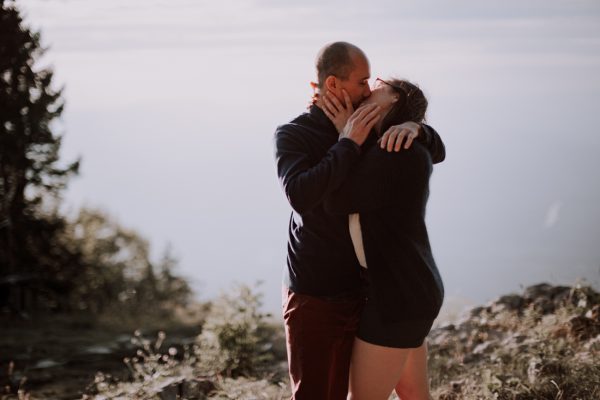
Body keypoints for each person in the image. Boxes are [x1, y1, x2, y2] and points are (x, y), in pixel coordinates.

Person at [273, 41, 445, 400]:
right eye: (363, 82)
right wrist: (347, 141)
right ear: (333, 84)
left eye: (372, 84)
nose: (368, 90)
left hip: (369, 292)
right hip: (317, 293)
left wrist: (417, 128)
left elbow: (432, 151)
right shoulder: (295, 134)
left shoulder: (381, 136)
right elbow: (301, 196)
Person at [321, 77, 444, 400]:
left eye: (378, 84)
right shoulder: (398, 145)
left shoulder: (395, 151)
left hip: (397, 297)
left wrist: (346, 138)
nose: (368, 90)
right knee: (413, 394)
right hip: (413, 289)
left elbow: (336, 200)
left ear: (395, 98)